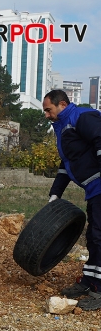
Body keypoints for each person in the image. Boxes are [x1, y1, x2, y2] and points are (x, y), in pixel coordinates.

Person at [42, 90, 101, 311]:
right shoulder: (63, 130)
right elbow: (66, 166)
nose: (46, 115)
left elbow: (100, 138)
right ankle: (90, 283)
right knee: (94, 237)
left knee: (100, 235)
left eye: (49, 110)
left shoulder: (82, 118)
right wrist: (55, 193)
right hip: (95, 190)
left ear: (63, 105)